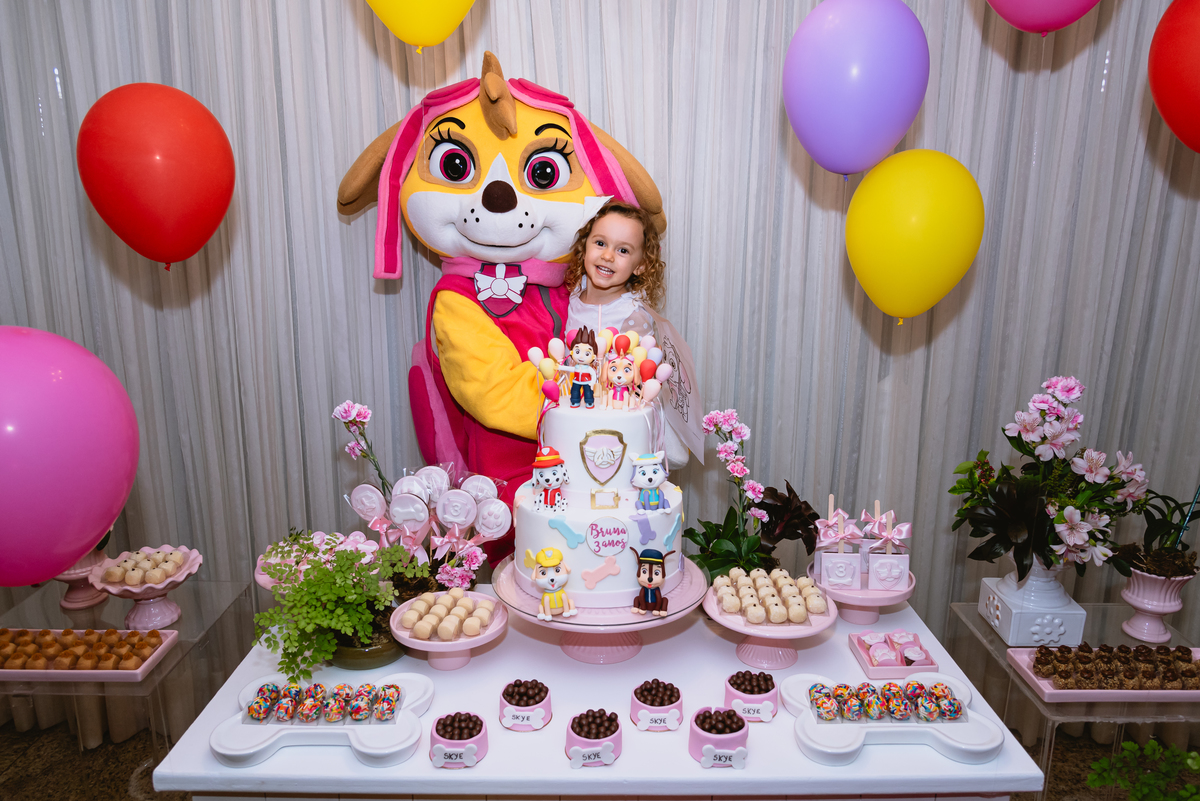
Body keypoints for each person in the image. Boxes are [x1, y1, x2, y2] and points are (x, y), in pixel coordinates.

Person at [564, 200, 665, 341]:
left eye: (623, 250)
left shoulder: (632, 315)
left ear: (641, 265)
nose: (607, 256)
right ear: (584, 247)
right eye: (600, 243)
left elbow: (646, 361)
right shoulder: (578, 288)